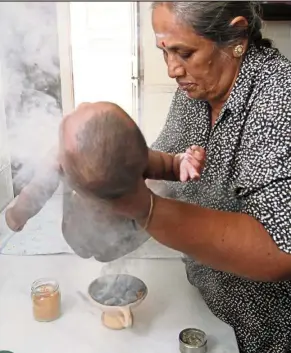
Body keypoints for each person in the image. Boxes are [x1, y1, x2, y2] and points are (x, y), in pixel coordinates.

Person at [93, 2, 290, 353]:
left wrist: (147, 210)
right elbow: (163, 168)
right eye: (165, 51)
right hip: (202, 300)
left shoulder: (278, 96)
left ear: (236, 36)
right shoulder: (196, 91)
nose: (171, 69)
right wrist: (114, 181)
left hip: (261, 329)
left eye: (184, 52)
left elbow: (279, 250)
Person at [5, 101, 204, 261]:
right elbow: (167, 166)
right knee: (162, 191)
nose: (82, 102)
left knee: (94, 247)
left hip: (79, 234)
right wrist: (180, 163)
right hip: (125, 230)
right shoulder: (135, 156)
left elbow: (36, 193)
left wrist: (16, 216)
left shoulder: (58, 159)